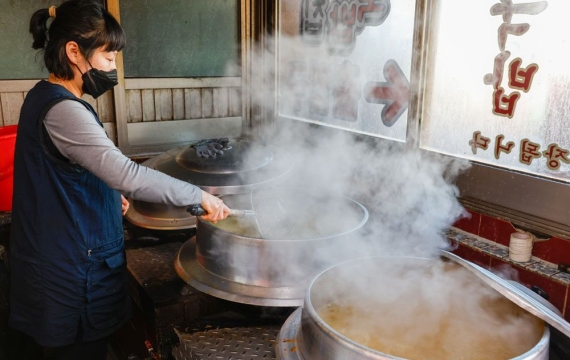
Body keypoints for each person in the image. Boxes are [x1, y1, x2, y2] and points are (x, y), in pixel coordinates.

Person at [7, 1, 230, 359]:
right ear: (74, 52)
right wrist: (199, 195)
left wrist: (107, 196)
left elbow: (67, 173)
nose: (112, 68)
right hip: (70, 273)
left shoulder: (44, 96)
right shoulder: (63, 109)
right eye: (109, 58)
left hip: (59, 258)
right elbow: (125, 172)